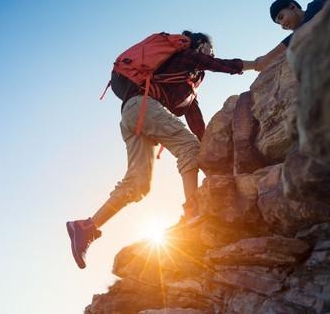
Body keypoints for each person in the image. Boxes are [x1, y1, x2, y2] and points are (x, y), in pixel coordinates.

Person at [66, 31, 256, 269]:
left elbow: (195, 121)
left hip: (131, 113)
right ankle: (193, 213)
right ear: (201, 45)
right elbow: (220, 65)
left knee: (138, 184)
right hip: (143, 106)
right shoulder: (187, 57)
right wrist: (255, 65)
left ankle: (85, 227)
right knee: (188, 148)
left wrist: (210, 150)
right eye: (210, 48)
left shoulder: (186, 83)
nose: (211, 53)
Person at [255, 0, 330, 71]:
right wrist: (243, 65)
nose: (282, 25)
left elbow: (303, 30)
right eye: (279, 23)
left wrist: (267, 58)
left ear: (292, 7)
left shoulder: (315, 6)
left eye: (281, 17)